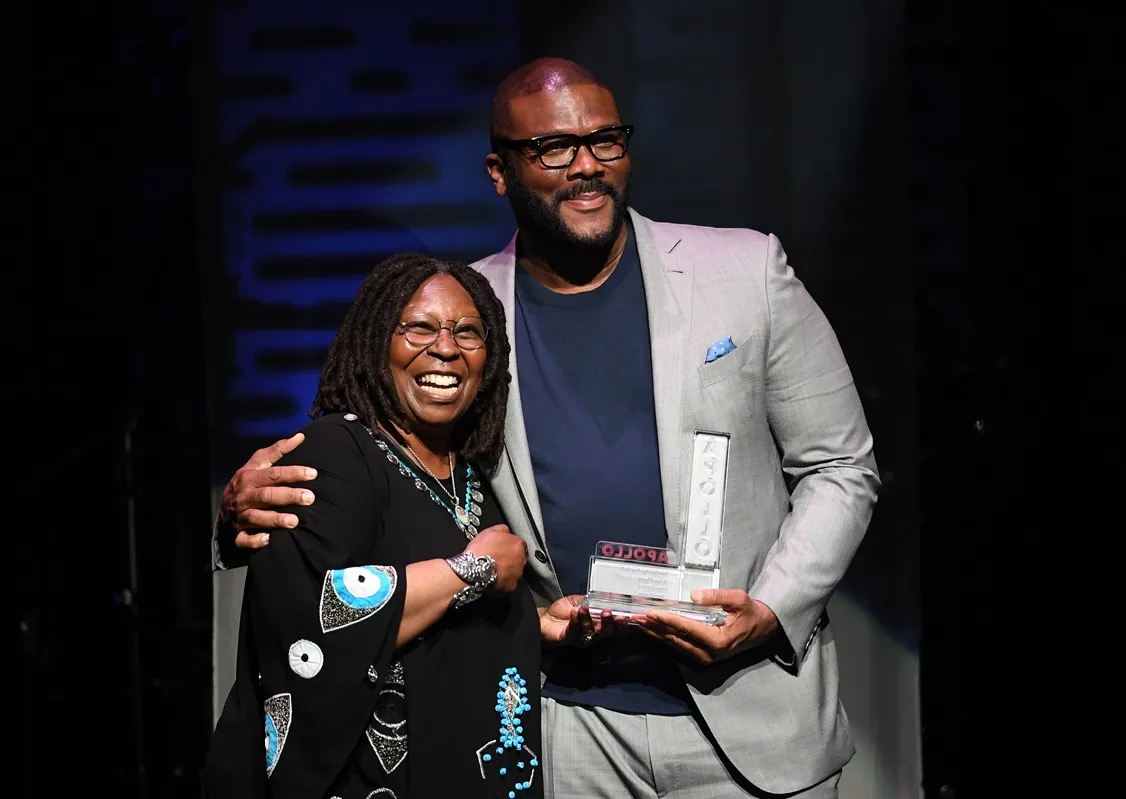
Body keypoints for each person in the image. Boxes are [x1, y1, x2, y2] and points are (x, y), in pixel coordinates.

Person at [215, 59, 880, 798]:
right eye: (554, 148)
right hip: (562, 726)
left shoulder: (746, 271)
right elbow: (382, 466)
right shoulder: (465, 317)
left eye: (607, 140)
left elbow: (841, 466)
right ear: (499, 172)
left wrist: (772, 610)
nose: (587, 166)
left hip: (748, 709)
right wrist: (249, 501)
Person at [204, 253, 550, 799]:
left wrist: (544, 623)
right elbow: (309, 618)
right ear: (375, 341)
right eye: (419, 327)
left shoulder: (476, 476)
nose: (445, 348)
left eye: (468, 332)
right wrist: (475, 570)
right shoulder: (334, 452)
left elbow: (449, 630)